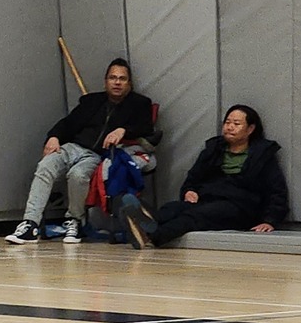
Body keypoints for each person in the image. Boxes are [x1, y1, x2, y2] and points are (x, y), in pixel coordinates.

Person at [6, 58, 157, 246]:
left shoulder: (139, 103)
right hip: (73, 147)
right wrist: (53, 137)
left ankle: (74, 221)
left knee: (78, 175)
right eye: (112, 78)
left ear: (129, 83)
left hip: (96, 154)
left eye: (122, 79)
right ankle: (30, 224)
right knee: (46, 165)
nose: (117, 82)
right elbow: (68, 123)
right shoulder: (91, 101)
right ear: (105, 81)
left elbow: (146, 128)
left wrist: (123, 130)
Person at [118, 105, 289, 249]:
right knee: (175, 208)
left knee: (195, 217)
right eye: (227, 122)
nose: (230, 127)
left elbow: (277, 190)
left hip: (239, 207)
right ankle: (145, 220)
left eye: (236, 124)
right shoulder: (214, 148)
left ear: (250, 129)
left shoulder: (262, 154)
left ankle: (151, 237)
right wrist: (189, 191)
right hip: (208, 198)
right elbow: (194, 177)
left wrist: (270, 220)